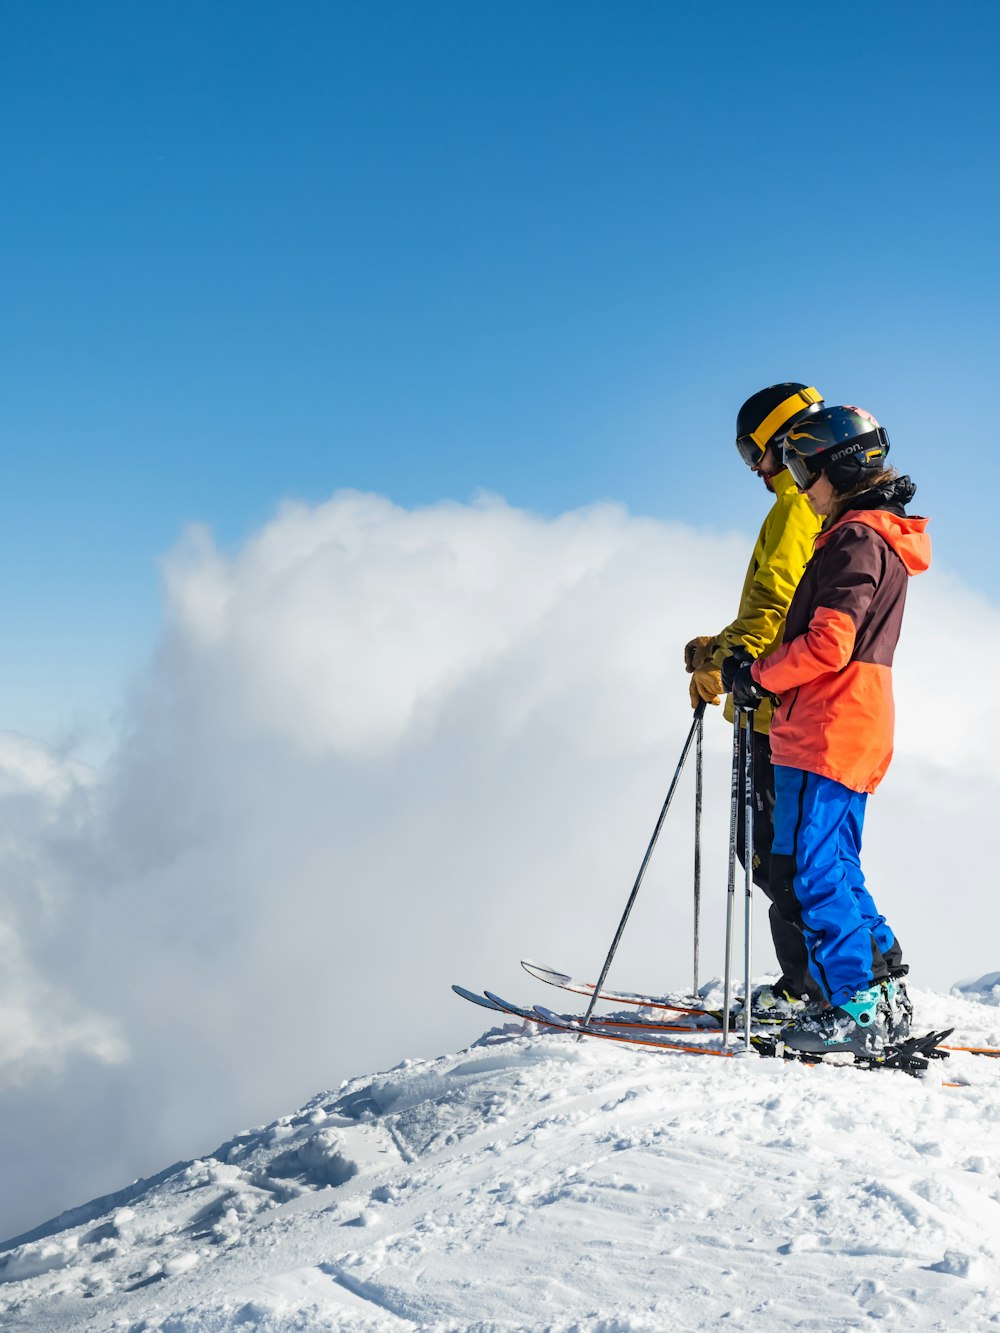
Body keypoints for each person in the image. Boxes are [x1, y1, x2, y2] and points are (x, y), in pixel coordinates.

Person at [730, 406, 927, 1056]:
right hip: (837, 724)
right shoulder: (859, 534)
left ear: (835, 469)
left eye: (801, 469)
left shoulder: (855, 538)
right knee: (830, 864)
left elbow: (829, 641)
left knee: (817, 871)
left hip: (832, 726)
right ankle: (880, 986)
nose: (798, 483)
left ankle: (857, 1007)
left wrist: (759, 673)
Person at [685, 383, 825, 1018]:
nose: (752, 467)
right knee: (783, 851)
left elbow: (773, 616)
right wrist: (717, 645)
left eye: (752, 449)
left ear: (781, 439)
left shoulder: (797, 508)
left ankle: (814, 986)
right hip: (786, 702)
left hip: (775, 706)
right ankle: (857, 973)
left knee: (775, 854)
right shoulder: (805, 504)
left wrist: (719, 663)